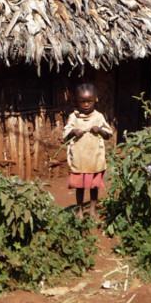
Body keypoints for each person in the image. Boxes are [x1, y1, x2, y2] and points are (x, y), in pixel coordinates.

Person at [62, 83, 112, 219]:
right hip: (79, 158)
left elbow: (109, 134)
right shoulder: (74, 117)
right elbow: (65, 133)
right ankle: (79, 210)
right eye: (82, 101)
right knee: (80, 186)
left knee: (93, 186)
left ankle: (93, 210)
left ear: (95, 99)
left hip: (94, 158)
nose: (86, 105)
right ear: (77, 101)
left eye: (89, 101)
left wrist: (100, 130)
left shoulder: (98, 117)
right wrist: (73, 132)